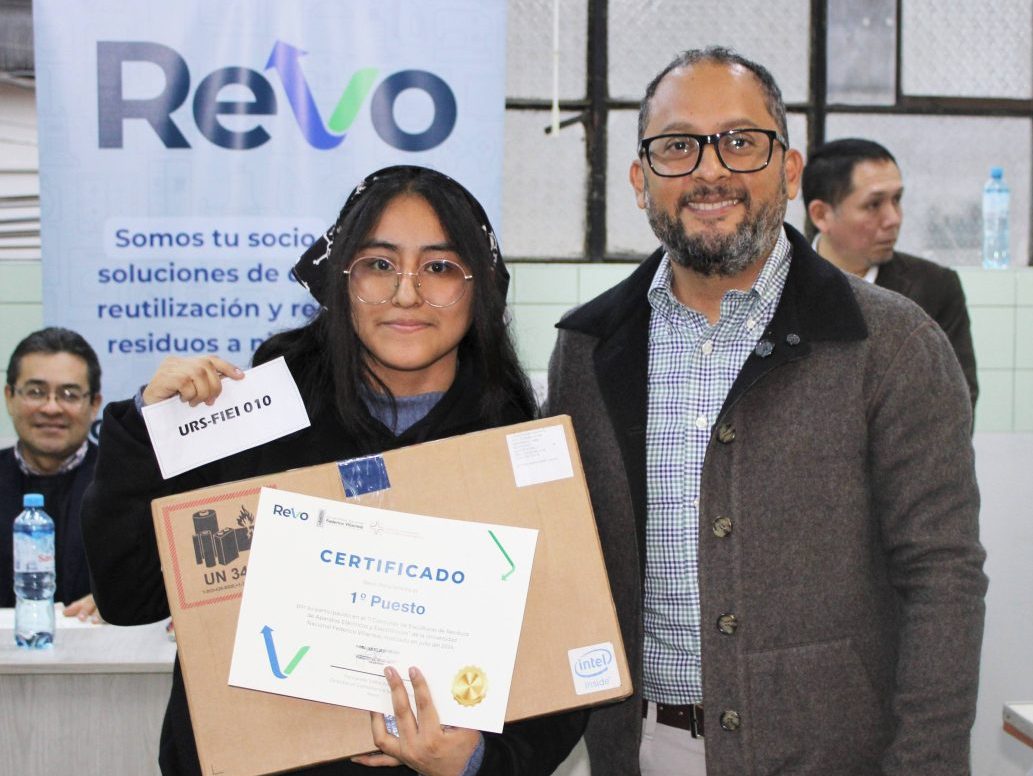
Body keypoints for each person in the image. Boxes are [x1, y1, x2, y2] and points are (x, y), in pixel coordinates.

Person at [545, 47, 986, 776]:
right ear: (640, 178)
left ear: (788, 169)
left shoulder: (892, 343)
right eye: (677, 146)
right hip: (644, 749)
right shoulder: (588, 349)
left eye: (741, 141)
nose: (710, 171)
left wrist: (927, 763)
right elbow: (560, 562)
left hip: (838, 757)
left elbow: (943, 578)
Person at [81, 166, 586, 776]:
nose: (406, 294)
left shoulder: (517, 455)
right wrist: (148, 431)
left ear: (478, 289)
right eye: (378, 264)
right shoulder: (250, 422)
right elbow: (129, 596)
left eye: (439, 267)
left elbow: (565, 664)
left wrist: (476, 761)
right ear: (340, 279)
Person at [802, 137, 979, 408]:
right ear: (821, 215)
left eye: (897, 200)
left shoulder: (934, 288)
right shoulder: (781, 284)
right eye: (874, 205)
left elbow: (956, 403)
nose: (893, 218)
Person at [2, 326, 102, 620]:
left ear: (94, 404)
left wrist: (118, 601)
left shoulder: (128, 485)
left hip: (101, 646)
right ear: (9, 397)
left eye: (69, 394)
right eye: (36, 392)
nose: (51, 408)